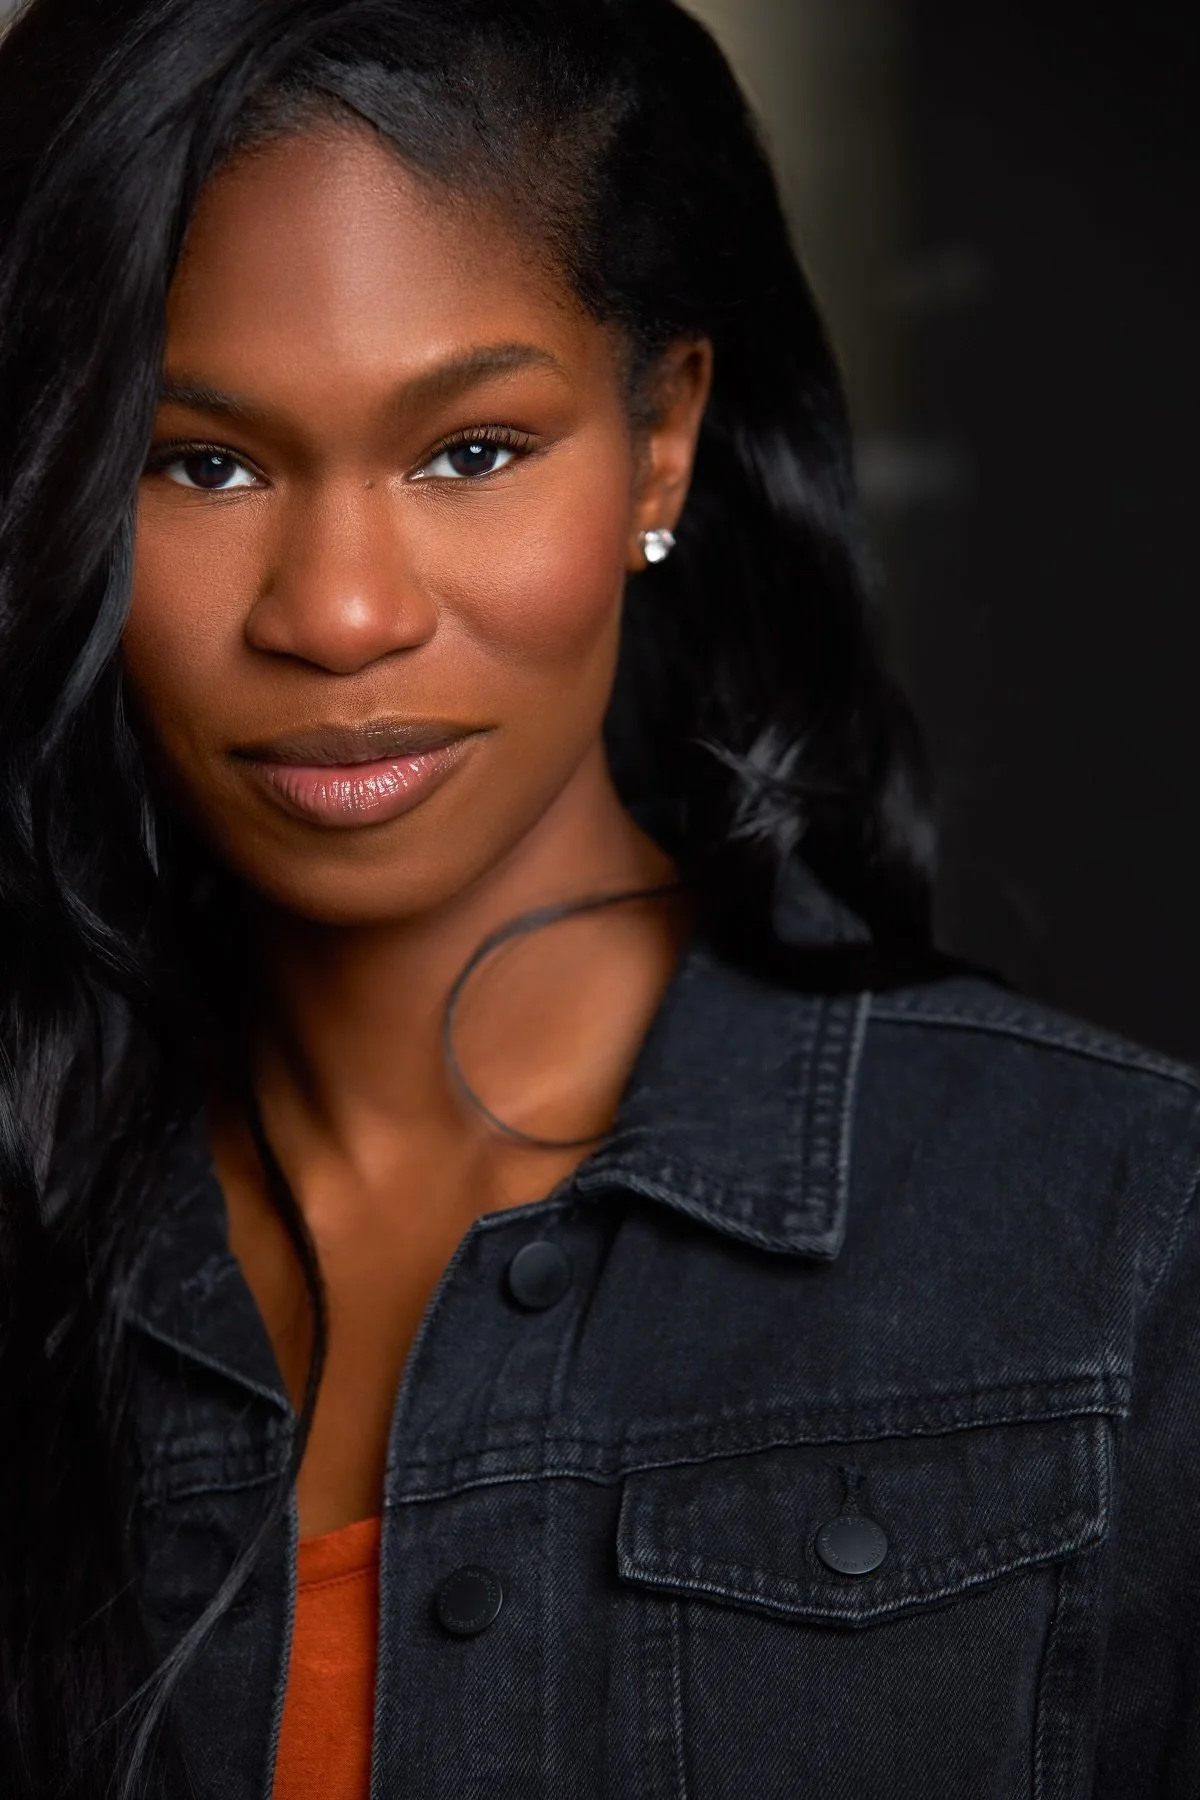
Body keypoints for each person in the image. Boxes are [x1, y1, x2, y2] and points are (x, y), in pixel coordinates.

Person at [0, 0, 1196, 1795]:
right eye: (202, 462)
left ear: (662, 440)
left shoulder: (1130, 1248)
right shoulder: (40, 1234)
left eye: (472, 450)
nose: (339, 614)